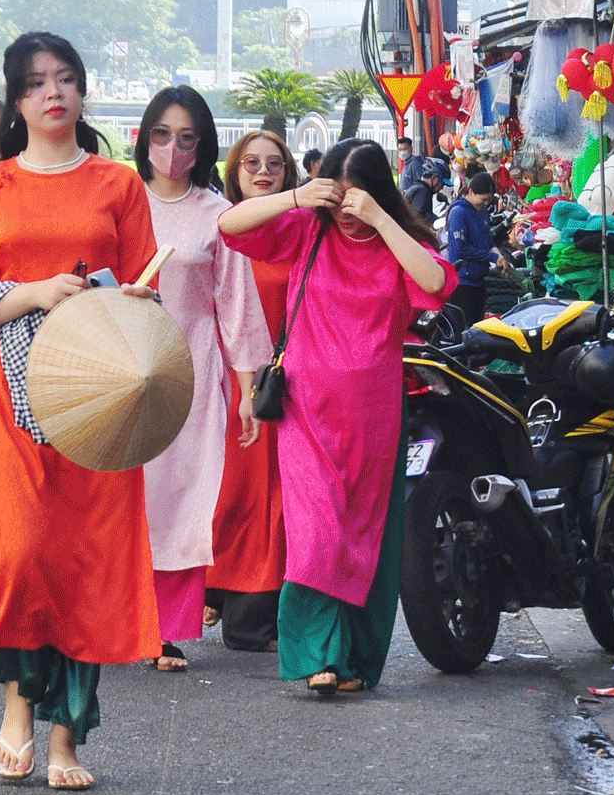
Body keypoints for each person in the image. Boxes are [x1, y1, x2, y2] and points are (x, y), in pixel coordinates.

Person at [0, 32, 159, 791]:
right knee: (22, 553)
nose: (53, 93)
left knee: (89, 564)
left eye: (66, 79)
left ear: (83, 90)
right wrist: (35, 294)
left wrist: (118, 296)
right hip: (13, 393)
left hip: (101, 396)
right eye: (36, 83)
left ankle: (68, 736)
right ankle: (15, 701)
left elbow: (147, 292)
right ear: (16, 99)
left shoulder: (119, 186)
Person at [219, 138, 451, 695]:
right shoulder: (306, 229)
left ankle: (354, 661)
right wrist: (297, 195)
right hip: (306, 409)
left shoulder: (398, 244)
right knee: (317, 533)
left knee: (364, 534)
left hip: (374, 414)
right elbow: (231, 226)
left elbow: (436, 283)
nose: (345, 211)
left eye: (356, 199)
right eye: (338, 199)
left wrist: (382, 220)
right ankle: (316, 656)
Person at [135, 85, 269, 673]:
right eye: (162, 134)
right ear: (144, 138)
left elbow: (236, 307)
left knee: (181, 501)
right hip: (116, 371)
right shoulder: (120, 200)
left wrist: (247, 392)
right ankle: (115, 619)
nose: (173, 148)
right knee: (122, 500)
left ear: (204, 145)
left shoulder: (218, 215)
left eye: (187, 138)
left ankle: (166, 629)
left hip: (192, 378)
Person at [206, 129, 296, 652]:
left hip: (284, 384)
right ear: (234, 172)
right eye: (252, 164)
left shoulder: (303, 230)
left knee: (274, 500)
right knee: (234, 496)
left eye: (274, 165)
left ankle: (251, 609)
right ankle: (226, 596)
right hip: (228, 382)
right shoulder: (221, 229)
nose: (263, 173)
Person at [442, 170, 507, 330]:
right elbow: (461, 249)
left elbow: (488, 240)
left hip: (478, 281)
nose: (485, 204)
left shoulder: (481, 211)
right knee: (464, 330)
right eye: (483, 200)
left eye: (488, 201)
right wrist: (491, 257)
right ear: (471, 192)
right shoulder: (459, 213)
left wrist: (499, 256)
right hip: (463, 283)